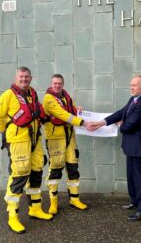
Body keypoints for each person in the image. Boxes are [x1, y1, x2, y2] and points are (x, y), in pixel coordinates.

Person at [0, 67, 52, 234]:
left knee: (36, 172)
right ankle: (13, 216)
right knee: (19, 176)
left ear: (31, 78)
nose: (24, 79)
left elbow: (38, 113)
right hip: (19, 142)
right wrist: (11, 133)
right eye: (21, 77)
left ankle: (35, 208)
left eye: (27, 77)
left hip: (35, 140)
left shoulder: (32, 93)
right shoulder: (8, 95)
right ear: (16, 77)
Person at [90, 75, 141, 221]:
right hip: (131, 146)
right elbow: (120, 113)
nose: (131, 87)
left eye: (135, 85)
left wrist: (120, 125)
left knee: (140, 178)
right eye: (131, 85)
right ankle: (135, 202)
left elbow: (130, 125)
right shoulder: (134, 99)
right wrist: (101, 123)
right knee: (131, 176)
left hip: (139, 147)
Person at [43, 74, 91, 215]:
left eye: (59, 83)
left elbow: (72, 111)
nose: (57, 86)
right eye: (55, 83)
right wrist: (81, 122)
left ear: (63, 84)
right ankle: (53, 203)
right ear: (51, 84)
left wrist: (79, 110)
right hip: (55, 139)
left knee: (73, 167)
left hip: (70, 137)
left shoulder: (65, 96)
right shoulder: (48, 99)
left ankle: (74, 199)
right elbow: (63, 114)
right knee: (55, 170)